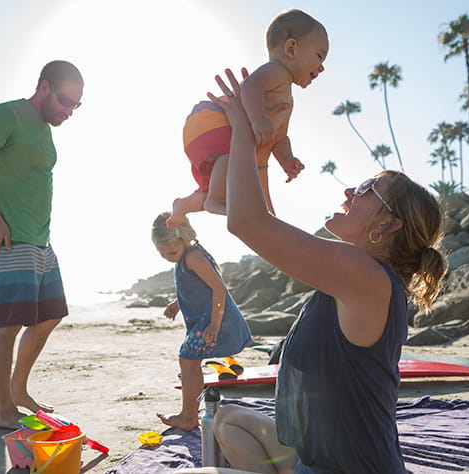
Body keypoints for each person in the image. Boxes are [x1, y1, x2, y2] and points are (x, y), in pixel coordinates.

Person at [178, 70, 446, 473]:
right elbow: (266, 223)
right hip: (319, 457)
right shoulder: (359, 274)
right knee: (230, 418)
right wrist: (261, 157)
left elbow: (247, 223)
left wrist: (243, 132)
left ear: (388, 225)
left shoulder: (365, 276)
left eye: (364, 190)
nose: (348, 192)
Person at [0, 60, 83, 430]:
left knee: (51, 315)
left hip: (41, 240)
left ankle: (18, 390)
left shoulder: (44, 128)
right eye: (65, 101)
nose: (70, 111)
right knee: (8, 326)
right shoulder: (6, 114)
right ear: (44, 87)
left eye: (76, 105)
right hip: (14, 239)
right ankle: (4, 409)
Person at [166, 9, 329, 229]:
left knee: (221, 181)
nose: (322, 66)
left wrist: (287, 159)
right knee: (230, 162)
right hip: (212, 118)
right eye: (319, 55)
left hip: (209, 128)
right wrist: (258, 119)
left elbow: (280, 136)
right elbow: (252, 86)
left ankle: (184, 206)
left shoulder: (287, 96)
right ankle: (216, 201)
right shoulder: (277, 72)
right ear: (291, 48)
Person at [152, 212, 252, 431]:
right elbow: (196, 286)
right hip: (206, 321)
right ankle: (189, 415)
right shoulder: (184, 255)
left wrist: (215, 324)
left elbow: (218, 288)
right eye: (162, 253)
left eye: (171, 252)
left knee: (188, 360)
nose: (168, 257)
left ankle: (188, 417)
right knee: (189, 361)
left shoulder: (193, 256)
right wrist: (177, 303)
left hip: (214, 321)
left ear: (185, 238)